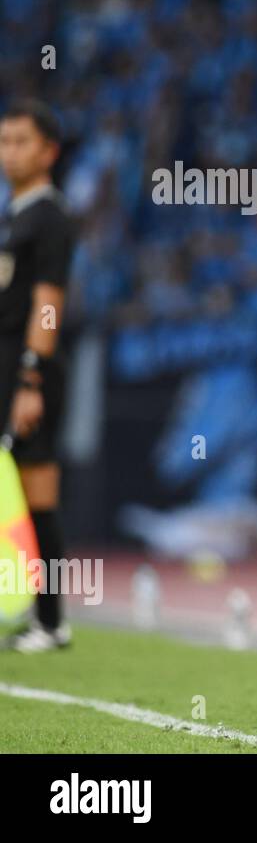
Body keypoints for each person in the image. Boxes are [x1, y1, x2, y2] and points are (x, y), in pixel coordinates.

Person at [0, 100, 76, 653]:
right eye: (4, 141)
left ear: (48, 151)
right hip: (8, 367)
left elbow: (48, 304)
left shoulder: (48, 218)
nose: (10, 152)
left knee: (37, 497)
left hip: (28, 373)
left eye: (21, 141)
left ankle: (52, 621)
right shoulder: (16, 215)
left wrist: (30, 378)